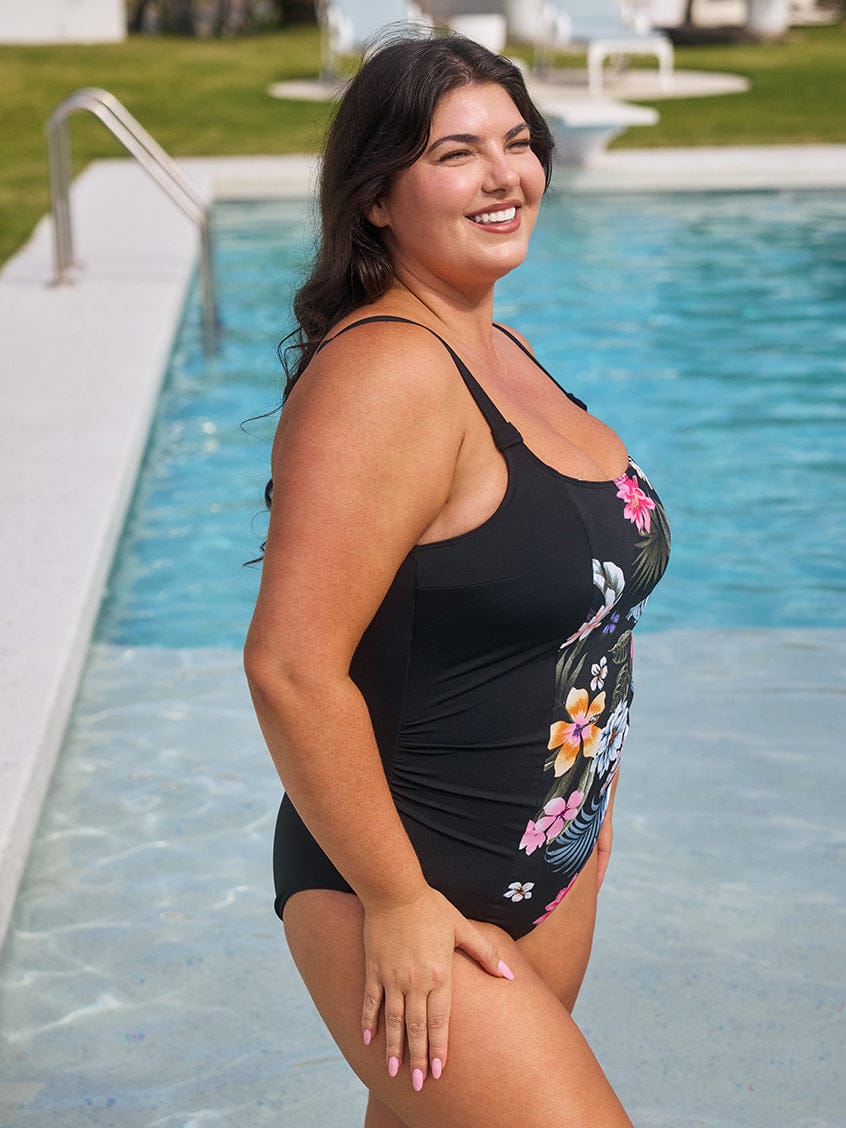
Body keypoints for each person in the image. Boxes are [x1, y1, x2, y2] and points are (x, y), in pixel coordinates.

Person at [244, 32, 670, 1128]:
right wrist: (395, 902)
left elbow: (586, 614)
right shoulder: (386, 373)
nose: (503, 175)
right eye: (456, 152)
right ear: (377, 197)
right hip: (408, 884)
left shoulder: (508, 353)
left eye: (519, 142)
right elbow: (291, 667)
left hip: (545, 871)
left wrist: (594, 819)